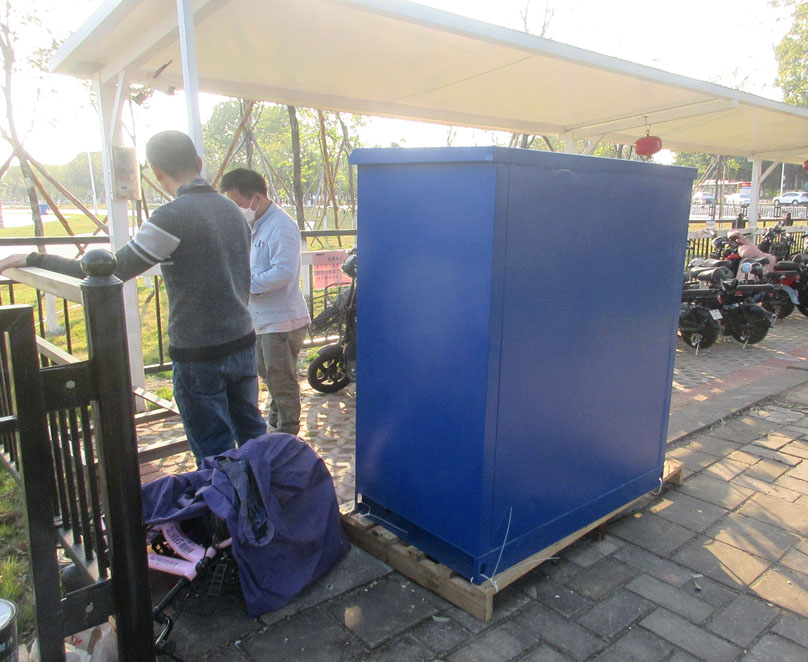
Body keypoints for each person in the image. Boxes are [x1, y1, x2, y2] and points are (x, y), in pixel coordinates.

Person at [0, 130, 267, 464]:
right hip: (242, 343)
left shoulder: (171, 217)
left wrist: (34, 258)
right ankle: (269, 494)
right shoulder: (233, 211)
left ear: (156, 171)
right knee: (256, 436)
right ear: (199, 162)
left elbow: (105, 270)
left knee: (215, 453)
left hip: (199, 354)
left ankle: (231, 498)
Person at [219, 168, 310, 436]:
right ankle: (274, 428)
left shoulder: (281, 226)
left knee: (281, 381)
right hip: (260, 319)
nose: (234, 210)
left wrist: (243, 285)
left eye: (236, 204)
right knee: (268, 376)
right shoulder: (254, 225)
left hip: (282, 321)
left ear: (256, 198)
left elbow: (283, 272)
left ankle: (288, 435)